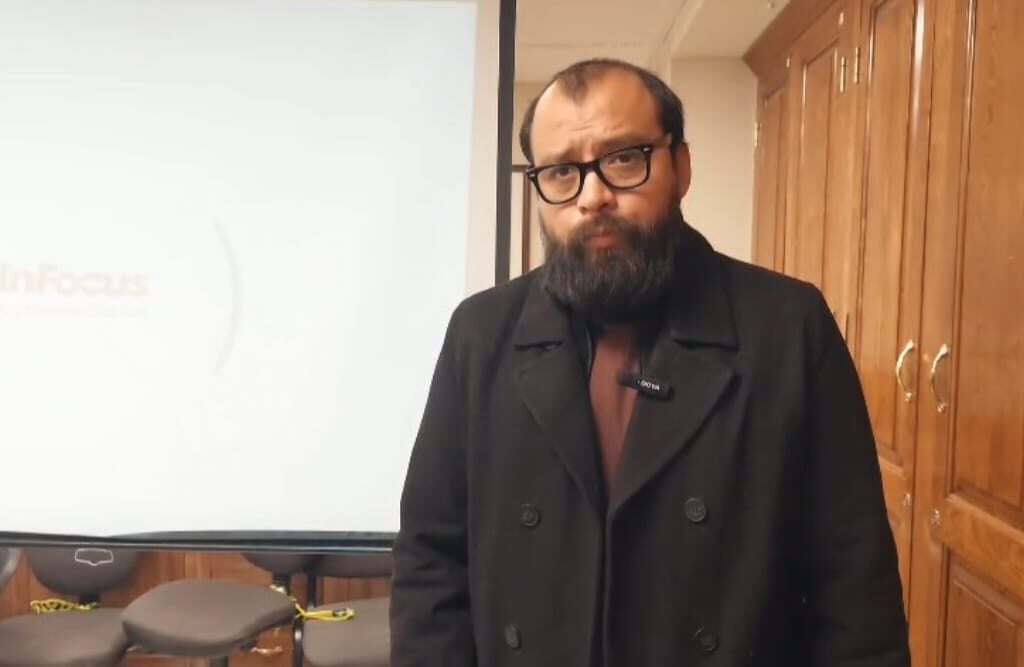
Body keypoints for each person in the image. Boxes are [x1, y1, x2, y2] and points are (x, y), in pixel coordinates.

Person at [389, 58, 909, 667]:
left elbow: (853, 582)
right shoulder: (480, 334)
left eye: (623, 159)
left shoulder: (788, 328)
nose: (592, 196)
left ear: (680, 166)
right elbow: (432, 560)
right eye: (561, 172)